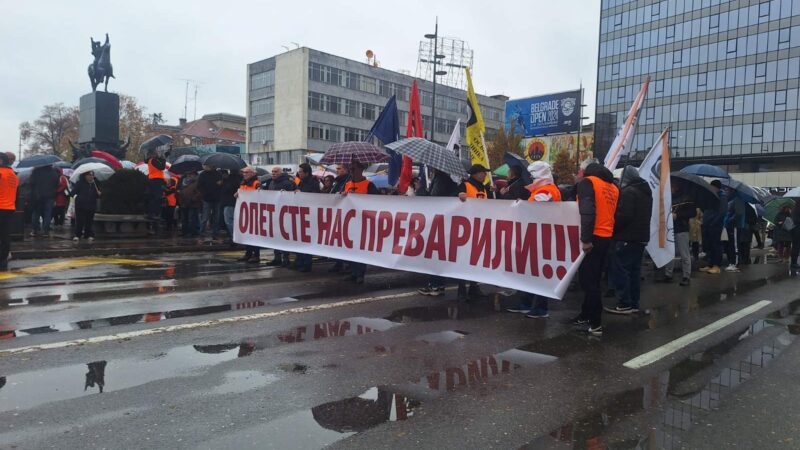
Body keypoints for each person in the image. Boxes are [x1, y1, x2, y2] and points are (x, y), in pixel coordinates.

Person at [506, 162, 561, 317]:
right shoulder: (539, 190)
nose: (530, 177)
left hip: (542, 238)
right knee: (528, 273)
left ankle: (541, 307)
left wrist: (519, 207)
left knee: (539, 274)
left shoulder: (548, 191)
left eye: (532, 174)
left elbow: (536, 210)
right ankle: (526, 302)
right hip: (533, 236)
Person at [573, 162, 619, 337]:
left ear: (585, 172)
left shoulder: (588, 183)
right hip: (606, 236)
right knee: (595, 279)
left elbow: (587, 211)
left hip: (592, 237)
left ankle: (595, 323)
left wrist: (585, 239)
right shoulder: (612, 187)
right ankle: (585, 315)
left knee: (588, 282)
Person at [604, 166, 652, 315]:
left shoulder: (628, 192)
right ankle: (633, 303)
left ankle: (624, 303)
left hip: (626, 237)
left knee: (622, 270)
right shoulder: (646, 193)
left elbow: (624, 216)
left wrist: (613, 227)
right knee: (634, 272)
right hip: (640, 238)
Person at [418, 169, 460, 297]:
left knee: (435, 254)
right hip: (443, 221)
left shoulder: (440, 179)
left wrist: (421, 190)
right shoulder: (446, 179)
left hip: (439, 221)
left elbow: (433, 199)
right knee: (439, 254)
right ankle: (438, 284)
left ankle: (435, 285)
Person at [456, 164, 492, 301]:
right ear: (476, 174)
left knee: (475, 259)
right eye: (484, 173)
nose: (485, 175)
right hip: (465, 229)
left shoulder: (484, 187)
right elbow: (452, 200)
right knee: (463, 259)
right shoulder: (464, 185)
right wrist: (458, 196)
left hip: (479, 227)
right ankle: (461, 288)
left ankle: (473, 286)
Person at [342, 161, 378, 284]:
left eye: (354, 168)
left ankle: (360, 273)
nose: (351, 171)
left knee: (360, 249)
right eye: (350, 168)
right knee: (350, 249)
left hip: (363, 221)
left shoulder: (369, 185)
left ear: (361, 169)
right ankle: (353, 272)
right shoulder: (347, 184)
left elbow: (375, 201)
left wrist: (357, 196)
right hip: (350, 221)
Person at [262, 166, 296, 267]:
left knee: (284, 237)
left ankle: (285, 258)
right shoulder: (272, 182)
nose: (273, 173)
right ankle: (277, 257)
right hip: (274, 213)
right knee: (275, 236)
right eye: (272, 171)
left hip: (284, 214)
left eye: (276, 171)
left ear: (280, 173)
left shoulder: (286, 183)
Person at [662, 184, 695, 286]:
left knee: (684, 253)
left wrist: (678, 215)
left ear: (676, 187)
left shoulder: (687, 198)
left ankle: (686, 276)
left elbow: (692, 213)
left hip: (682, 228)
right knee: (669, 253)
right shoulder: (667, 198)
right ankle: (668, 274)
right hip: (670, 229)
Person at [294, 163, 320, 272]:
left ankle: (307, 264)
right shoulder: (301, 182)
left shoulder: (313, 182)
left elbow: (314, 195)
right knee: (299, 240)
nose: (299, 173)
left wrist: (302, 193)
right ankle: (299, 261)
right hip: (301, 214)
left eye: (300, 172)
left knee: (306, 241)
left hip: (310, 215)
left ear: (306, 172)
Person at [699, 180, 725, 274]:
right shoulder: (710, 196)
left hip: (715, 225)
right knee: (709, 245)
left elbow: (722, 212)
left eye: (712, 186)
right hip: (707, 224)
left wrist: (714, 222)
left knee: (716, 245)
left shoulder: (722, 196)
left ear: (716, 187)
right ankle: (710, 264)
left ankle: (716, 265)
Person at [236, 166, 261, 263]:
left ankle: (256, 255)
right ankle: (248, 253)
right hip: (246, 213)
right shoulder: (243, 183)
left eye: (246, 172)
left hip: (254, 213)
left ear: (252, 174)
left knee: (254, 235)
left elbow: (260, 195)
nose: (244, 174)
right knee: (247, 235)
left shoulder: (256, 183)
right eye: (243, 172)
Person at [0, 152, 19, 271]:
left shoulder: (1, 173)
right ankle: (3, 261)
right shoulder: (13, 175)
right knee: (5, 235)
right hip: (9, 208)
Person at [29, 165, 59, 237]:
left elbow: (31, 183)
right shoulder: (54, 173)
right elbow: (57, 184)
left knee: (36, 213)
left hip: (37, 196)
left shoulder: (36, 171)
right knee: (47, 213)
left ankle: (35, 230)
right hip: (50, 196)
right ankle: (45, 231)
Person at [72, 171, 101, 242]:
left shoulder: (95, 184)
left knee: (89, 221)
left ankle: (88, 234)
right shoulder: (80, 183)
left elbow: (97, 195)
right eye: (89, 175)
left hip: (91, 205)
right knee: (80, 221)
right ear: (85, 176)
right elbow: (72, 193)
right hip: (80, 205)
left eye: (92, 175)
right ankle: (77, 235)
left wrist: (99, 194)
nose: (91, 177)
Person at [197, 164, 223, 238]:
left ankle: (215, 232)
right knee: (205, 217)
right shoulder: (202, 174)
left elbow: (221, 184)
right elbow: (199, 186)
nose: (205, 167)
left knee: (216, 217)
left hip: (216, 198)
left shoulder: (218, 174)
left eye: (207, 165)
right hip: (207, 198)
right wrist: (204, 193)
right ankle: (202, 232)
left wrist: (220, 184)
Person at [145, 152, 167, 229]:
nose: (157, 154)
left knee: (154, 197)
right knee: (156, 197)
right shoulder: (153, 160)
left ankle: (152, 213)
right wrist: (164, 159)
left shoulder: (151, 160)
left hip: (154, 179)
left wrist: (164, 156)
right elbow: (162, 167)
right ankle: (152, 214)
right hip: (156, 179)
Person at [177, 172, 202, 238]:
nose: (189, 176)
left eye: (191, 175)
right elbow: (180, 191)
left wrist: (192, 199)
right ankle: (184, 231)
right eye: (188, 175)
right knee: (184, 219)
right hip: (184, 204)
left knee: (192, 219)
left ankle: (192, 232)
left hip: (193, 204)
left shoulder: (197, 183)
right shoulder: (183, 182)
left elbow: (199, 193)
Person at [220, 170, 242, 241]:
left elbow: (228, 190)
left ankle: (234, 236)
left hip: (230, 202)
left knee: (229, 220)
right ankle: (234, 235)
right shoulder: (233, 180)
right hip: (229, 202)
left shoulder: (232, 180)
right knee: (230, 219)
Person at [790, 202, 800, 270]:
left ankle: (794, 262)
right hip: (797, 230)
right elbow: (796, 220)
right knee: (796, 247)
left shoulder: (794, 209)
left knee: (795, 246)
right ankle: (793, 263)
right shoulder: (797, 210)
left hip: (796, 230)